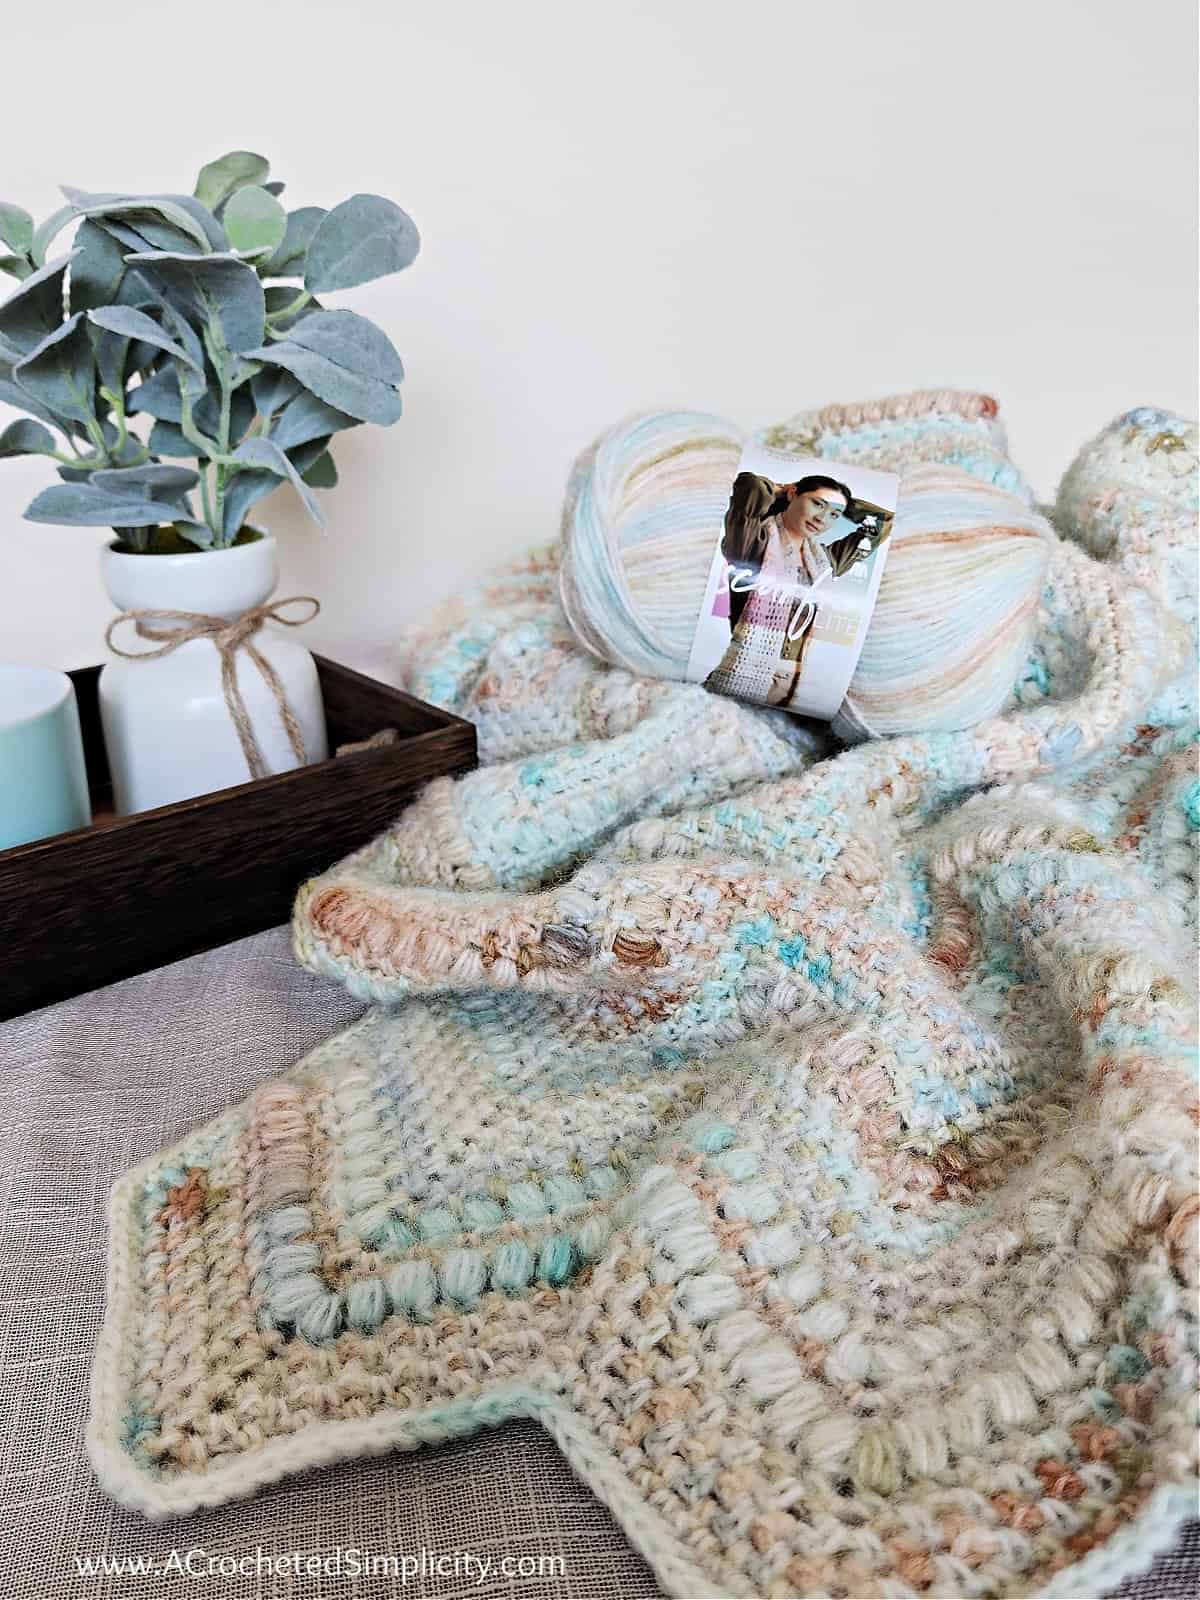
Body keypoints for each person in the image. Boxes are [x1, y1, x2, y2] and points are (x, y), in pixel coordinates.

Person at [706, 473, 852, 707]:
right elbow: (751, 486)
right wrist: (778, 489)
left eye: (834, 514)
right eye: (818, 504)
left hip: (799, 687)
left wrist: (845, 503)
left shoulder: (824, 560)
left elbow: (882, 523)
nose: (823, 519)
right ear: (793, 494)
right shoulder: (755, 540)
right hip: (747, 674)